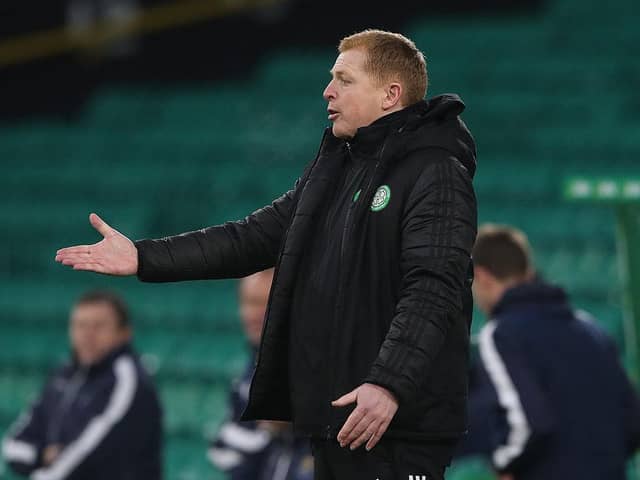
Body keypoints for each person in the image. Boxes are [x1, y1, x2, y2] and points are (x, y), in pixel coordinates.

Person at [55, 28, 478, 480]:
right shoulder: (336, 168)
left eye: (344, 79)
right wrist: (144, 257)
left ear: (391, 94)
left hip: (392, 427)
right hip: (337, 419)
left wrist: (388, 384)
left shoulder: (436, 172)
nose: (327, 90)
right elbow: (251, 238)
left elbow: (433, 288)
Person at [466, 224, 640, 480]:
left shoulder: (501, 335)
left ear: (481, 276)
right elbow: (632, 421)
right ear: (527, 270)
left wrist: (503, 462)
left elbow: (529, 424)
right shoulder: (590, 328)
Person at [1, 290, 163, 480]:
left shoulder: (129, 380)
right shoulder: (63, 375)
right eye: (80, 325)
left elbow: (89, 454)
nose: (87, 335)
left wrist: (46, 469)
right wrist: (41, 455)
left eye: (99, 326)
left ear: (124, 333)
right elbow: (13, 445)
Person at [208, 269, 313, 480]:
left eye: (263, 303)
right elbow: (227, 448)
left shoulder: (312, 358)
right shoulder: (252, 364)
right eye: (247, 303)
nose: (252, 314)